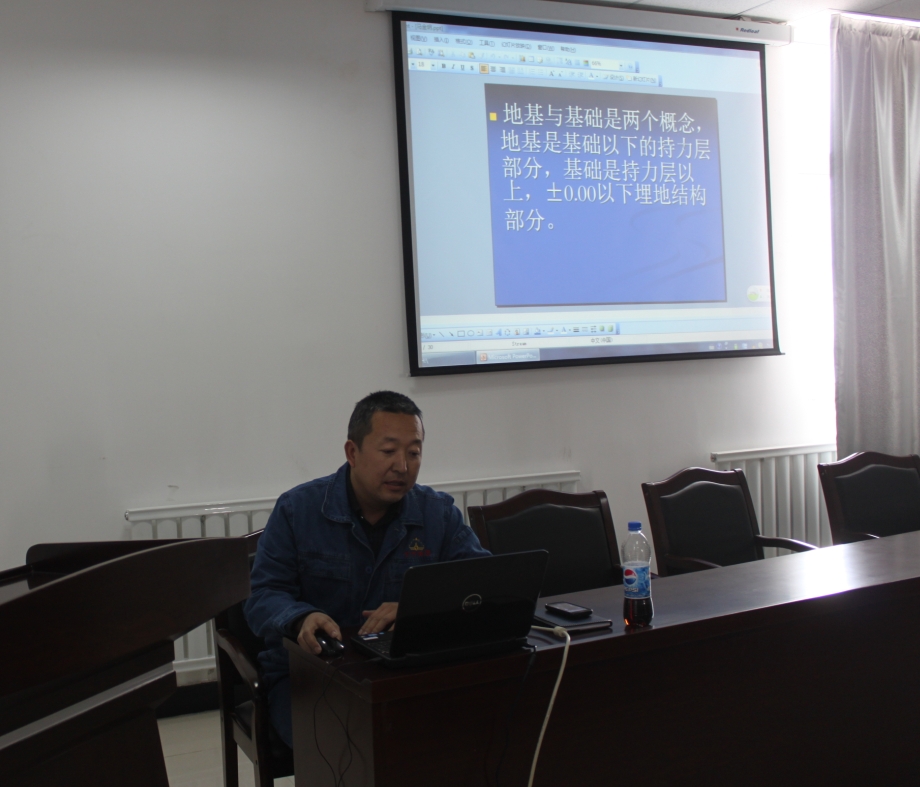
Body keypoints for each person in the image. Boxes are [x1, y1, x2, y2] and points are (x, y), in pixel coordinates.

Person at [244, 390, 490, 747]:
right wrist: (301, 618)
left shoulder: (436, 513)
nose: (402, 466)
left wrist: (417, 610)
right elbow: (263, 595)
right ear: (352, 452)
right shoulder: (298, 510)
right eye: (388, 451)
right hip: (310, 675)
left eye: (414, 453)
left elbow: (481, 582)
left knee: (463, 735)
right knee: (343, 750)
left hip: (405, 671)